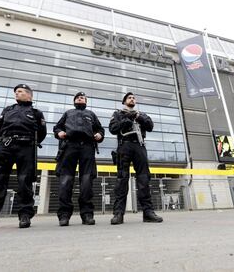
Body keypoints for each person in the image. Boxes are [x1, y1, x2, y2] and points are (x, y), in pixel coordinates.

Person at [0, 84, 46, 230]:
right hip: (5, 147)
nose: (16, 94)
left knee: (24, 181)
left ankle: (25, 216)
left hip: (26, 148)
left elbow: (42, 133)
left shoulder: (36, 113)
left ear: (29, 95)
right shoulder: (8, 110)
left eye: (19, 92)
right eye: (15, 92)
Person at [109, 92, 163, 225]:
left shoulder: (141, 114)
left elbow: (150, 126)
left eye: (133, 98)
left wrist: (138, 117)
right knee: (122, 179)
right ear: (124, 101)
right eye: (129, 98)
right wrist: (126, 120)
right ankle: (118, 214)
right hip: (124, 145)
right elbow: (113, 128)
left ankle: (148, 212)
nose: (132, 99)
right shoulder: (118, 113)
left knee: (144, 179)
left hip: (139, 145)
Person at [53, 92, 105, 226]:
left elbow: (100, 129)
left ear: (86, 101)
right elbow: (57, 127)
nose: (80, 98)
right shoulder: (68, 113)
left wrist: (99, 134)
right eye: (77, 97)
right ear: (74, 101)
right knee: (66, 181)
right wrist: (59, 132)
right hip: (69, 146)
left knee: (87, 181)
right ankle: (64, 215)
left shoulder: (91, 114)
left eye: (82, 97)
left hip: (87, 147)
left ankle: (87, 214)